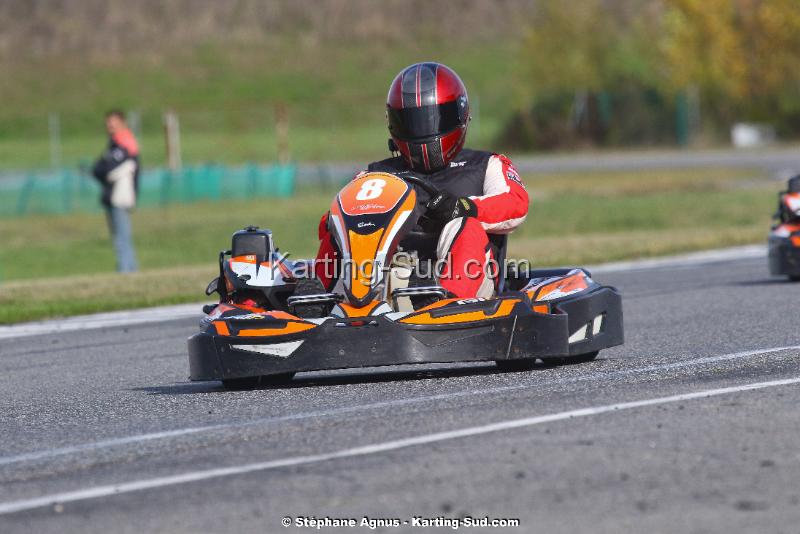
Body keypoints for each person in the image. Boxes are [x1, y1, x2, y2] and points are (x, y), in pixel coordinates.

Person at [312, 62, 529, 301]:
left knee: (464, 226)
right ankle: (320, 303)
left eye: (436, 118)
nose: (424, 131)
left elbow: (515, 205)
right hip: (390, 281)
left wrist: (462, 208)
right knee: (340, 232)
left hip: (470, 288)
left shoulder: (486, 165)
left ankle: (445, 304)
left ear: (460, 114)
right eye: (413, 122)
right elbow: (330, 221)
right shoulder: (376, 175)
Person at [92, 110, 140, 273]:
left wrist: (100, 168)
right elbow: (99, 168)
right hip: (113, 195)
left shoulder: (124, 142)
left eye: (113, 122)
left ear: (122, 122)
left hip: (120, 196)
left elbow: (106, 168)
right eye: (108, 123)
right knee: (119, 234)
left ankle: (126, 268)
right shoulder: (115, 142)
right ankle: (128, 266)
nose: (110, 126)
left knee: (122, 235)